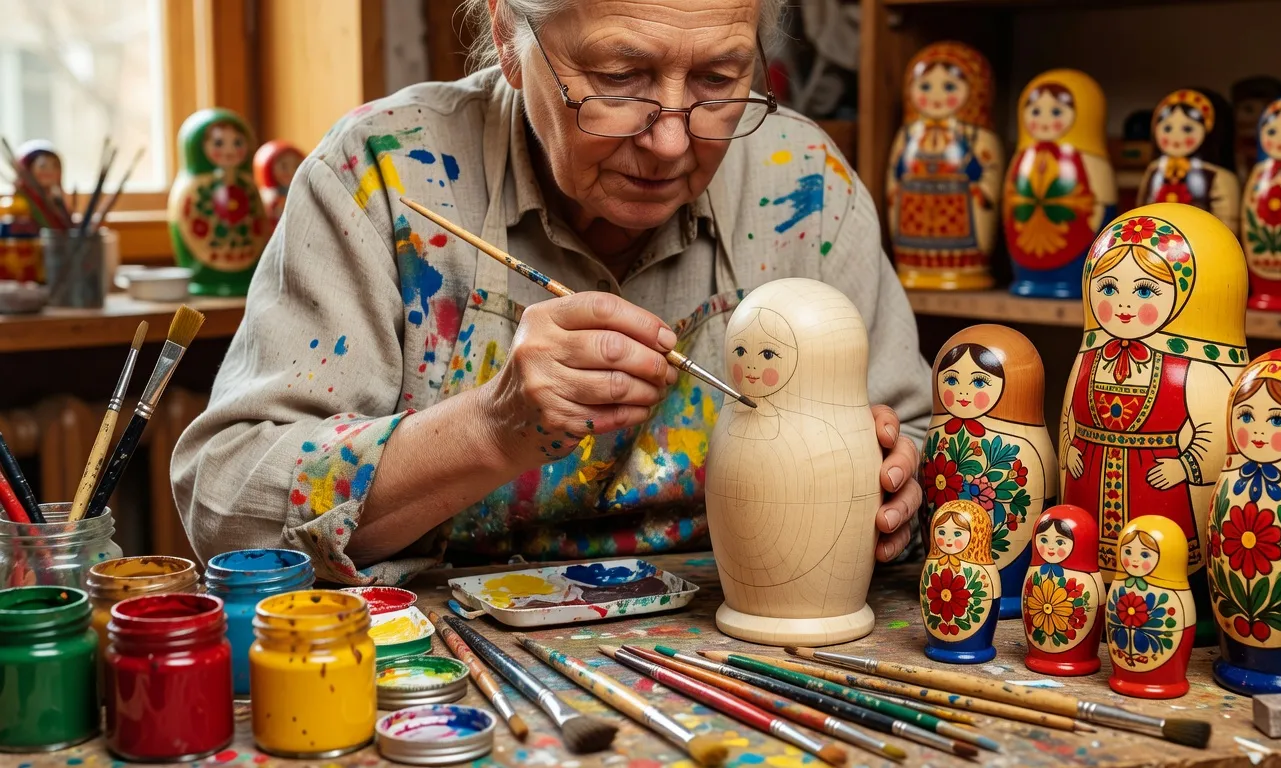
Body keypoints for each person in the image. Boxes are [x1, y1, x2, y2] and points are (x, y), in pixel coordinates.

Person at [173, 0, 932, 585]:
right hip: (444, 668)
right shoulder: (383, 174)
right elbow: (226, 506)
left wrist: (902, 485)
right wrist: (490, 427)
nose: (671, 141)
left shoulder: (804, 186)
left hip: (732, 644)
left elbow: (921, 441)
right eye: (620, 78)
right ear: (509, 38)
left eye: (718, 79)